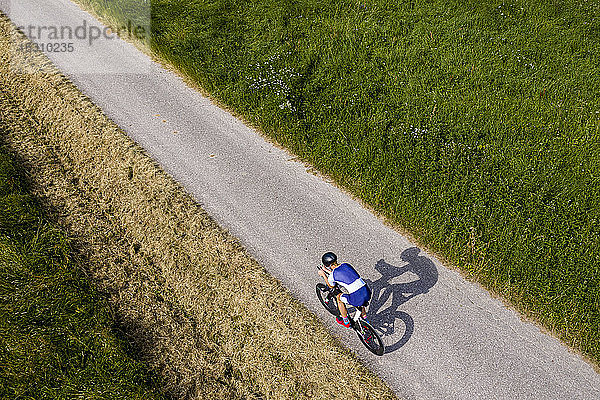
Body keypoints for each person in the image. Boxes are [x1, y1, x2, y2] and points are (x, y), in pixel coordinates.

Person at [318, 252, 371, 328]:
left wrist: (323, 274)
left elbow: (331, 286)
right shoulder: (346, 265)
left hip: (357, 297)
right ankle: (365, 318)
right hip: (367, 292)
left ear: (327, 265)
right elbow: (343, 274)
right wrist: (329, 271)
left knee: (339, 297)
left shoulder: (332, 276)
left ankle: (346, 322)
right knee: (360, 301)